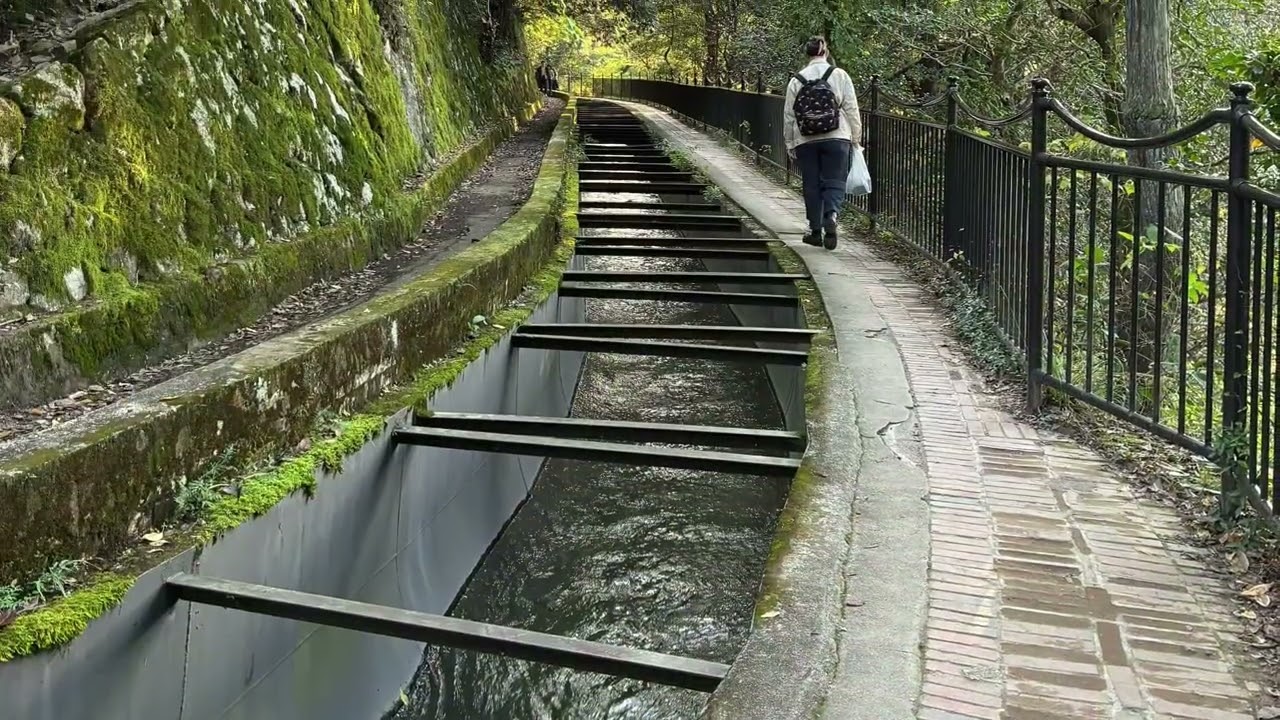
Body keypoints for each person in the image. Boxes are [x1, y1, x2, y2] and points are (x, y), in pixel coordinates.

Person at [783, 36, 862, 250]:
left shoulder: (796, 80)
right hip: (837, 136)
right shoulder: (839, 75)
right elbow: (851, 108)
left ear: (808, 54)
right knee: (835, 179)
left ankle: (815, 231)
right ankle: (832, 215)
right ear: (825, 52)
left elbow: (789, 116)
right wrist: (855, 137)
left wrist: (790, 143)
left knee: (811, 183)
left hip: (805, 138)